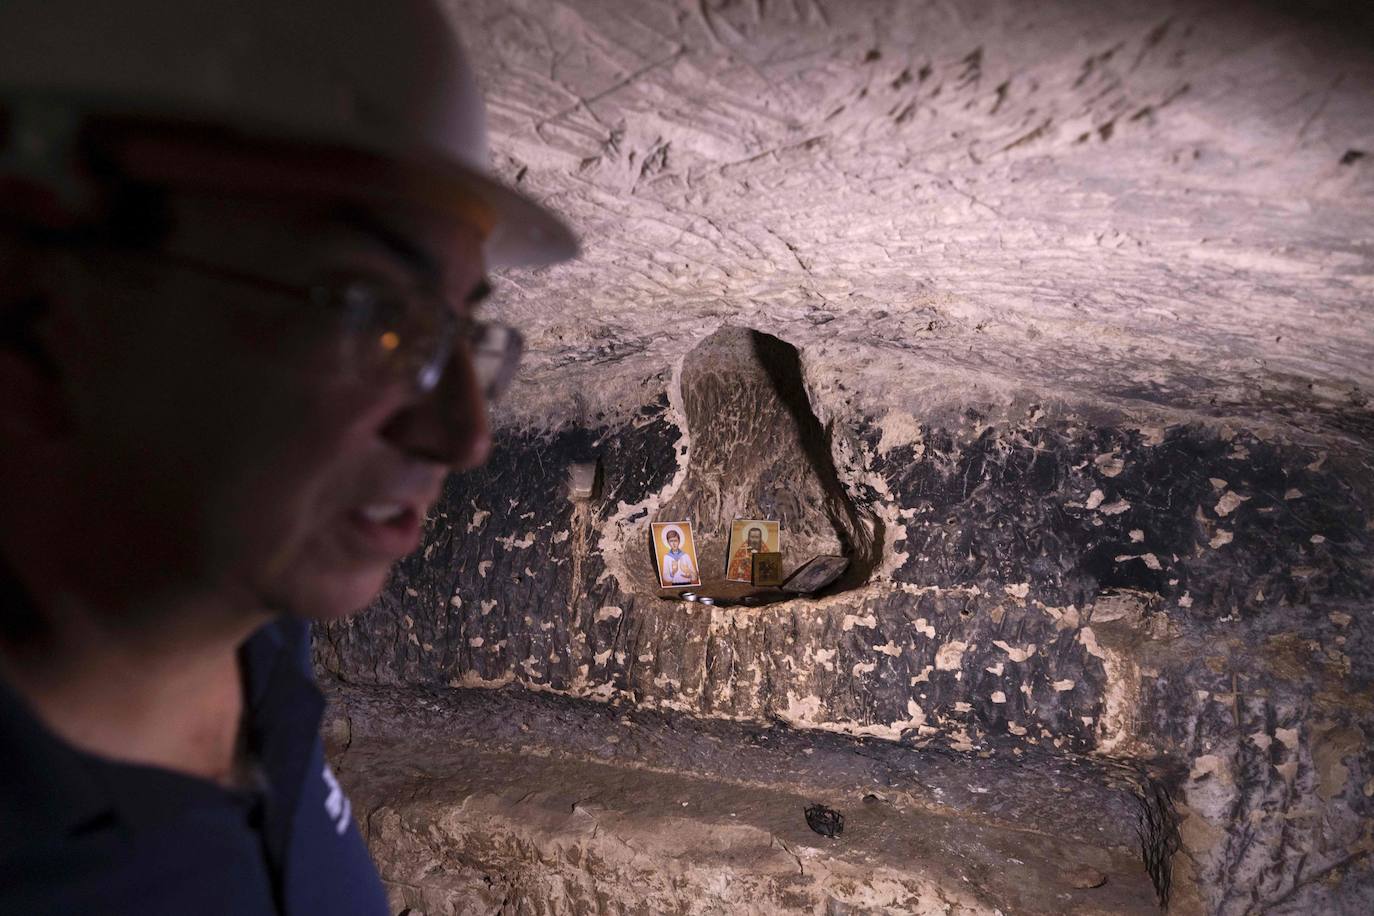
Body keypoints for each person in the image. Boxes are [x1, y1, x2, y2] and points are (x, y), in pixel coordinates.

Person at [0, 1, 576, 913]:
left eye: (461, 332)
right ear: (32, 311)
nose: (463, 436)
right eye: (370, 309)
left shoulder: (264, 636)